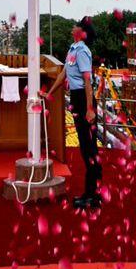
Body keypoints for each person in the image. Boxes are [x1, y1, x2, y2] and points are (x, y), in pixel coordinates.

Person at [45, 18, 102, 208]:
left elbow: (87, 82)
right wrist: (49, 93)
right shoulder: (72, 49)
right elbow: (64, 74)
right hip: (77, 99)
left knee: (88, 148)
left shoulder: (83, 51)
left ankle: (92, 194)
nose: (73, 26)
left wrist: (90, 109)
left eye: (76, 25)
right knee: (86, 147)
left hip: (83, 99)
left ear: (82, 32)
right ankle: (93, 192)